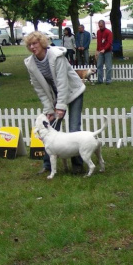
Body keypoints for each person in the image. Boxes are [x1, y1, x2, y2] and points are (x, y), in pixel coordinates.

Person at [24, 31, 86, 174]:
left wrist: (61, 107)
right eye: (30, 45)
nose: (33, 47)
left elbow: (62, 83)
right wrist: (49, 110)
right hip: (54, 95)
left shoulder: (56, 56)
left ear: (42, 43)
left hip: (73, 91)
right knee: (50, 128)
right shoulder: (31, 63)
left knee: (74, 127)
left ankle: (77, 165)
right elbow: (39, 89)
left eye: (35, 43)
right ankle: (48, 165)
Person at [96, 20, 113, 85]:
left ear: (104, 25)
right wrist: (97, 50)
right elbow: (98, 42)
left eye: (101, 26)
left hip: (107, 51)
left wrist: (104, 49)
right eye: (99, 26)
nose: (100, 27)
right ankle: (100, 80)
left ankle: (108, 80)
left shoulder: (108, 32)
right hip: (100, 51)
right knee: (99, 66)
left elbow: (109, 43)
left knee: (108, 66)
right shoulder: (98, 32)